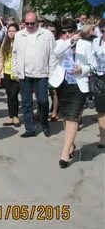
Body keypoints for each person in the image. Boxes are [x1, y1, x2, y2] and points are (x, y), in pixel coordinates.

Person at [49, 18, 93, 168]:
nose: (67, 34)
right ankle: (70, 144)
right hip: (63, 84)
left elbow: (92, 65)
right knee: (66, 117)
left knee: (73, 117)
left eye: (70, 31)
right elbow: (56, 53)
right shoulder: (60, 44)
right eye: (64, 32)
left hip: (79, 86)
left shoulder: (86, 45)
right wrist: (70, 41)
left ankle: (65, 152)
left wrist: (83, 69)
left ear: (75, 30)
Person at [12, 11, 56, 137]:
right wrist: (16, 70)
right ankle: (30, 128)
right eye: (27, 23)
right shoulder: (19, 35)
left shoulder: (47, 34)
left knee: (43, 101)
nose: (30, 26)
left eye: (32, 23)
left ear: (37, 22)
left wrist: (51, 72)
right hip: (24, 74)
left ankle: (44, 123)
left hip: (41, 73)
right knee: (26, 103)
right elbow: (15, 53)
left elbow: (53, 54)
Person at [0, 23, 21, 127]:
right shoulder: (4, 43)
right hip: (6, 73)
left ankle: (16, 116)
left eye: (13, 31)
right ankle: (11, 116)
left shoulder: (20, 43)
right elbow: (2, 59)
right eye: (10, 31)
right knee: (9, 95)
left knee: (14, 95)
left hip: (17, 73)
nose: (11, 33)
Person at [90, 19, 105, 148]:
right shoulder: (95, 42)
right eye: (102, 30)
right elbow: (92, 59)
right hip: (100, 78)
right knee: (101, 109)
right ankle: (103, 137)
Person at [46, 19, 61, 122]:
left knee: (54, 91)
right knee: (42, 93)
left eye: (53, 31)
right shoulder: (42, 40)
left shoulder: (59, 42)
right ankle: (41, 111)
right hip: (43, 69)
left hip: (55, 69)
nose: (51, 33)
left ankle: (55, 111)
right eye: (49, 31)